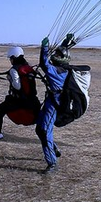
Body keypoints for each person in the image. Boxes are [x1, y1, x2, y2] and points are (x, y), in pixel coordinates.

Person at [35, 35, 73, 172]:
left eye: (57, 54)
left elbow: (44, 63)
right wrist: (65, 43)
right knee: (39, 129)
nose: (55, 55)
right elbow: (62, 53)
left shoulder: (56, 71)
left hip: (54, 105)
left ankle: (52, 163)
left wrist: (44, 47)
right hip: (50, 101)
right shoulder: (63, 67)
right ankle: (54, 149)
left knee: (45, 131)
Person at [0, 46, 40, 143]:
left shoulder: (14, 70)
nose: (10, 61)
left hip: (20, 101)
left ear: (14, 57)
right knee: (42, 127)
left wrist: (10, 78)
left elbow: (17, 86)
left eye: (11, 58)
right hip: (32, 100)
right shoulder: (28, 67)